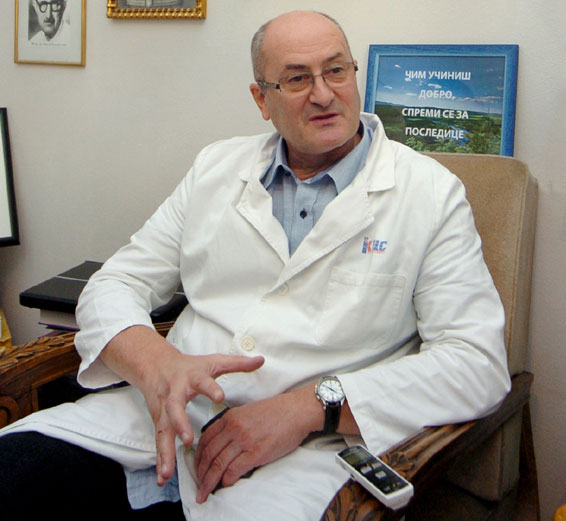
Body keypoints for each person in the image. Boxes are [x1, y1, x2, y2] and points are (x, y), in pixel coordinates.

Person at [0, 10, 511, 521]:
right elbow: (116, 282)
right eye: (297, 79)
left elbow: (475, 364)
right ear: (261, 99)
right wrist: (158, 367)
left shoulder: (429, 194)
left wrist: (311, 407)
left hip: (300, 461)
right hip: (154, 427)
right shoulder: (216, 168)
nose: (324, 94)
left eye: (336, 70)